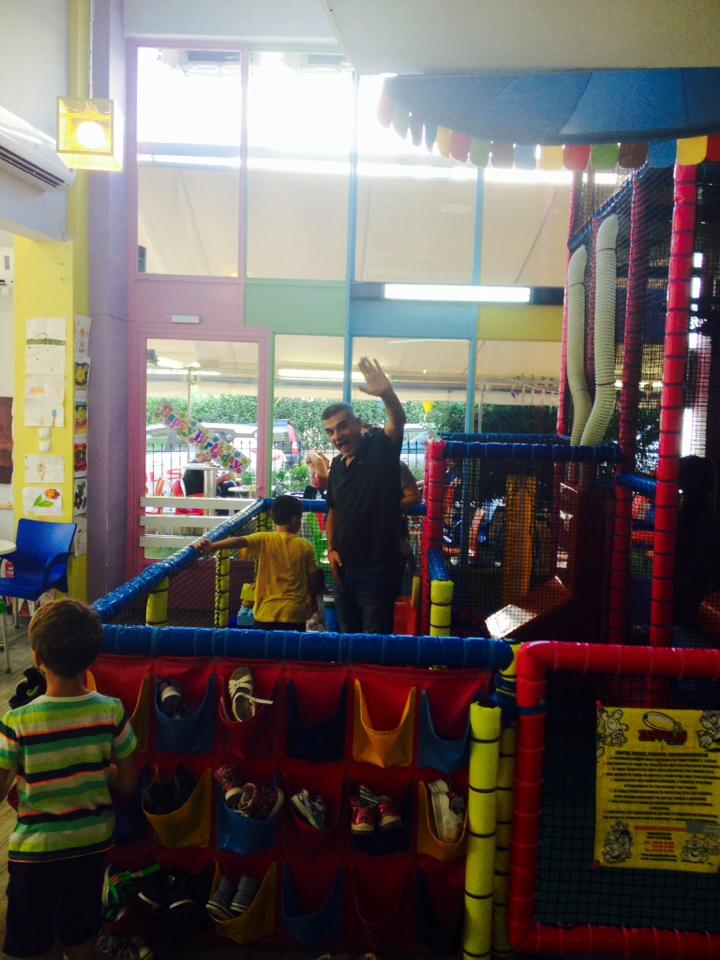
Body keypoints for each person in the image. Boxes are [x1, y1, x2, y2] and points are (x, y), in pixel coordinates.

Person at [0, 599, 138, 960]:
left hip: (35, 853)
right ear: (90, 659)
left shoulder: (17, 722)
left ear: (37, 658)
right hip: (90, 847)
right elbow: (127, 783)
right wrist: (95, 769)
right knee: (81, 937)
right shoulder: (111, 711)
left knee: (30, 944)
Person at [322, 357, 406, 634]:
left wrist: (386, 394)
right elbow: (334, 511)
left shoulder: (379, 448)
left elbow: (398, 421)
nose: (337, 436)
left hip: (378, 571)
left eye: (342, 426)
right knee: (347, 640)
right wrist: (331, 549)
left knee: (374, 645)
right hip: (344, 569)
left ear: (357, 424)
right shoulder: (336, 466)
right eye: (330, 431)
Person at [193, 495, 324, 631]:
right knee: (292, 645)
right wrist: (311, 598)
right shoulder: (305, 546)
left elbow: (240, 541)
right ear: (295, 520)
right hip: (294, 613)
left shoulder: (264, 539)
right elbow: (314, 577)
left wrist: (213, 546)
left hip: (266, 612)